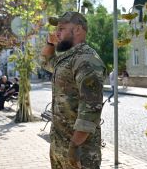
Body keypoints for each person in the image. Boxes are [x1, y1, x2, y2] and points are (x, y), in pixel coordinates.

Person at [41, 11, 106, 169]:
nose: (57, 32)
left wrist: (75, 148)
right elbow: (45, 62)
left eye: (62, 28)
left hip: (79, 153)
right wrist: (50, 43)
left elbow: (91, 110)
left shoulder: (86, 60)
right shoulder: (68, 58)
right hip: (60, 145)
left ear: (77, 29)